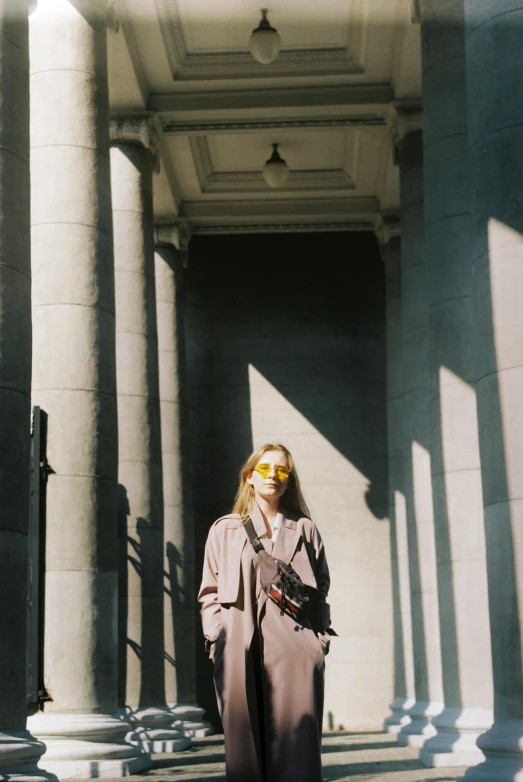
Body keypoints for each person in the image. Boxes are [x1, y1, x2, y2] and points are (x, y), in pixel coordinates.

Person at [198, 442, 334, 782]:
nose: (273, 475)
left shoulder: (305, 529)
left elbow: (321, 587)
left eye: (281, 470)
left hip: (295, 648)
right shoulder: (225, 529)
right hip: (239, 644)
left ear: (289, 481)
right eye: (265, 468)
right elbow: (209, 590)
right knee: (244, 746)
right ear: (249, 478)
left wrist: (319, 640)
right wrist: (216, 638)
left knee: (298, 742)